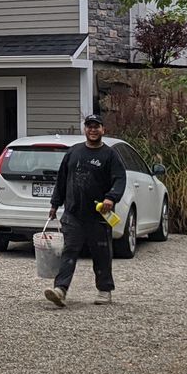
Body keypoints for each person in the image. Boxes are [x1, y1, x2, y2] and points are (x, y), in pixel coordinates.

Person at [44, 113, 126, 307]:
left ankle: (104, 290)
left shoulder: (110, 155)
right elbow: (62, 180)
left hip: (98, 215)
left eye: (96, 126)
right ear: (85, 129)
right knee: (69, 252)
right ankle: (60, 290)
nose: (92, 130)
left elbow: (119, 179)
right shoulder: (73, 152)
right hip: (73, 214)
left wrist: (110, 197)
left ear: (102, 130)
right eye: (89, 126)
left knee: (101, 254)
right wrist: (55, 204)